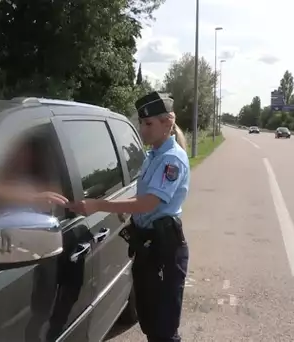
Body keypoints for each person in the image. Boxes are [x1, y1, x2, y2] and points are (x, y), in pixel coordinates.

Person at [68, 92, 190, 342]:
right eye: (141, 123)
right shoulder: (153, 155)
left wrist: (99, 205)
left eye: (149, 124)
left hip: (164, 250)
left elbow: (148, 202)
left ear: (167, 123)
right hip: (148, 246)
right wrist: (124, 207)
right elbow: (141, 193)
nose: (142, 130)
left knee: (164, 328)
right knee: (148, 319)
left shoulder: (171, 159)